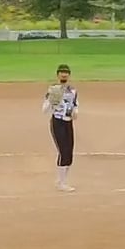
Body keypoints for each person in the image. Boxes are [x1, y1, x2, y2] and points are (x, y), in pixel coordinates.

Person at [42, 63, 79, 192]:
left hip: (68, 123)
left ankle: (62, 180)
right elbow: (44, 110)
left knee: (69, 153)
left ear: (69, 75)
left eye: (66, 72)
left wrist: (75, 113)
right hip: (57, 122)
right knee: (63, 151)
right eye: (62, 72)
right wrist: (52, 101)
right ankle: (61, 183)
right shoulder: (53, 90)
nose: (64, 74)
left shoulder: (72, 91)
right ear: (57, 75)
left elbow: (75, 106)